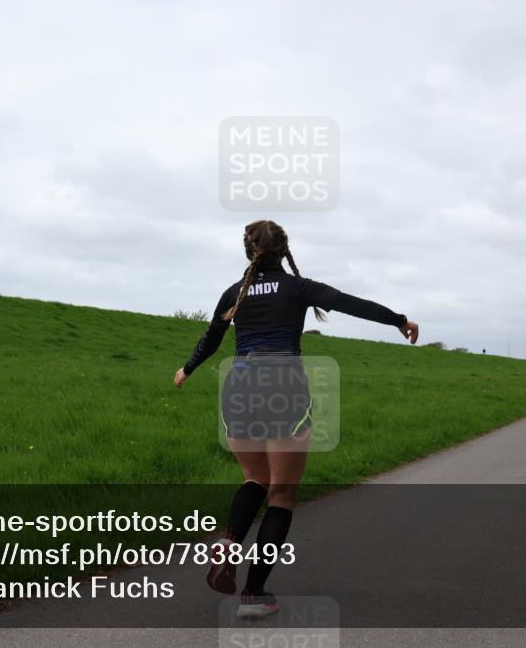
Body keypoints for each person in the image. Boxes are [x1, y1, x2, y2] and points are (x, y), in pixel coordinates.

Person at [173, 220, 418, 619]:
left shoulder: (234, 293)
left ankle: (231, 541)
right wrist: (399, 319)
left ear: (248, 251)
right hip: (284, 384)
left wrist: (187, 369)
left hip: (239, 384)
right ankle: (253, 595)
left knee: (254, 479)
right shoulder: (298, 288)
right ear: (284, 251)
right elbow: (352, 303)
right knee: (281, 496)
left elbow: (212, 338)